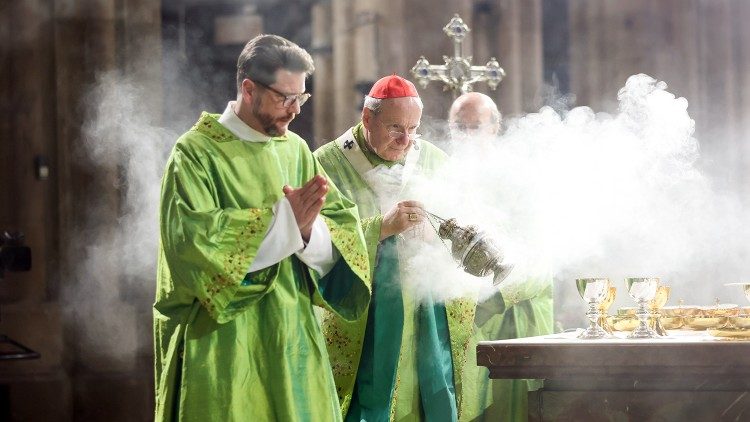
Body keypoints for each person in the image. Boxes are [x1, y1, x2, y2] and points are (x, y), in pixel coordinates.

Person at [153, 34, 371, 421]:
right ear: (248, 89)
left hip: (293, 337)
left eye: (301, 98)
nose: (294, 111)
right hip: (225, 344)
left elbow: (340, 227)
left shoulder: (295, 149)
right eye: (284, 98)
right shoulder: (195, 153)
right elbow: (192, 242)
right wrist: (285, 223)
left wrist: (306, 234)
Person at [314, 74, 483, 421]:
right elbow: (314, 244)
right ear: (367, 119)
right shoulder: (326, 165)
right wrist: (382, 228)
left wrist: (437, 239)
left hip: (427, 316)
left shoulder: (434, 161)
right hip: (364, 316)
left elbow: (463, 227)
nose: (406, 140)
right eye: (395, 128)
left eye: (414, 129)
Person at [448, 92, 554, 422]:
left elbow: (542, 252)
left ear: (495, 127)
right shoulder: (445, 175)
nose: (467, 136)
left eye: (475, 127)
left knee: (510, 410)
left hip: (512, 314)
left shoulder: (519, 178)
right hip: (460, 313)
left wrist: (492, 302)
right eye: (458, 128)